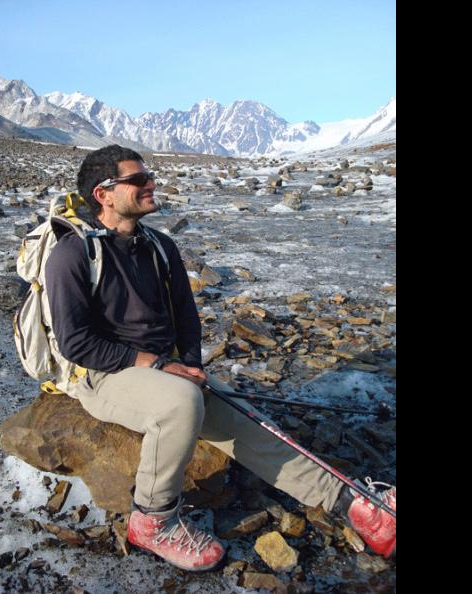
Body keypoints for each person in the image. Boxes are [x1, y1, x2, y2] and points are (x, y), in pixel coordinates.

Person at [45, 145, 396, 572]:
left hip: (163, 368)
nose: (151, 184)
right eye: (138, 180)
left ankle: (351, 505)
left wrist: (189, 365)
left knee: (247, 421)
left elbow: (186, 319)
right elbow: (76, 342)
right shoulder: (73, 253)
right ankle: (152, 520)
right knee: (180, 402)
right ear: (105, 193)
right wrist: (158, 366)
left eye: (149, 176)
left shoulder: (159, 246)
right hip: (105, 373)